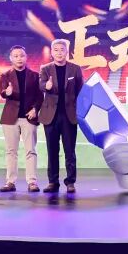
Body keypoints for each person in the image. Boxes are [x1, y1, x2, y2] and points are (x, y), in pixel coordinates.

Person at [39, 39, 83, 194]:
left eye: (62, 50)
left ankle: (70, 182)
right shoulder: (45, 69)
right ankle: (53, 182)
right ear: (52, 52)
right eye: (56, 50)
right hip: (50, 116)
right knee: (52, 150)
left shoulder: (75, 69)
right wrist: (46, 86)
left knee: (70, 151)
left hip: (69, 116)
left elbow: (80, 90)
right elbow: (41, 85)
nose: (59, 53)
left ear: (67, 52)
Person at [0, 45, 43, 193]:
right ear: (11, 58)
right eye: (16, 56)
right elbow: (2, 92)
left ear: (26, 57)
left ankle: (32, 182)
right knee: (11, 151)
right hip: (10, 118)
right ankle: (10, 182)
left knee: (31, 150)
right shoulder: (5, 75)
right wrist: (7, 92)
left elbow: (40, 97)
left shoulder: (35, 76)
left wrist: (35, 109)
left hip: (29, 118)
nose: (19, 58)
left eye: (22, 55)